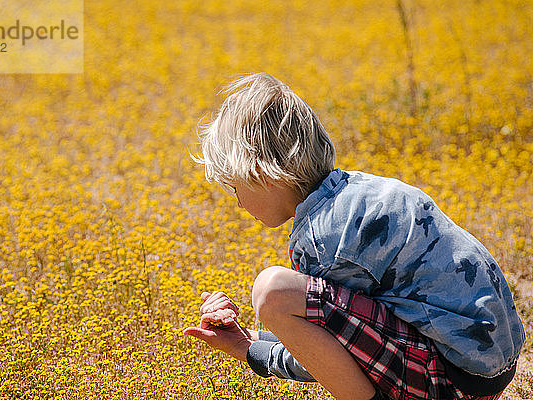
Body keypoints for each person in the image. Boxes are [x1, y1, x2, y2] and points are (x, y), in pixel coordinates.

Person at [183, 72, 525, 400]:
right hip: (486, 367)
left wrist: (253, 353)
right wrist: (251, 340)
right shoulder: (359, 190)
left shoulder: (322, 241)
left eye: (234, 186)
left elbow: (341, 357)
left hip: (452, 382)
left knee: (272, 291)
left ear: (260, 174)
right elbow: (357, 330)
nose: (238, 202)